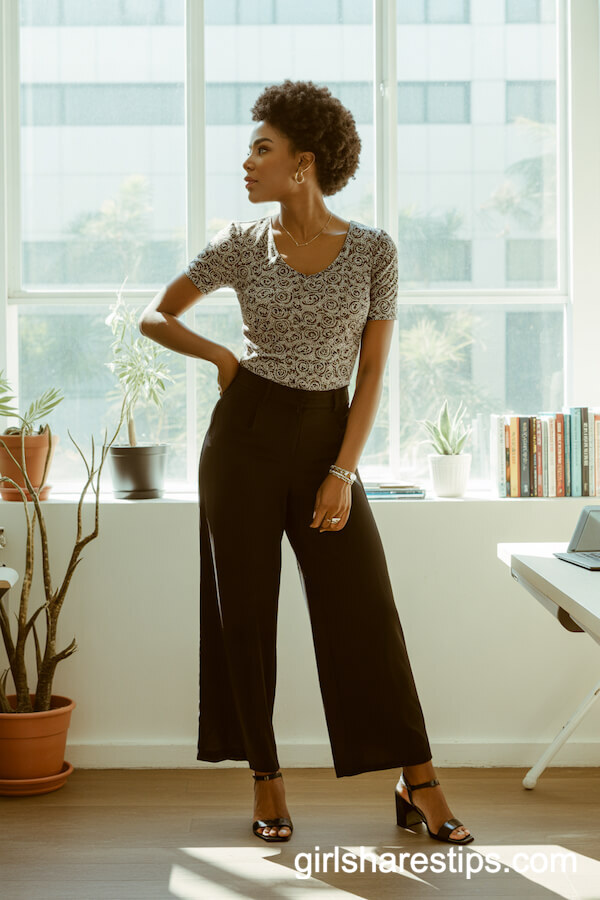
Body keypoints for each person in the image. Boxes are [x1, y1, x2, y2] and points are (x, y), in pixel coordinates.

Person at [139, 80, 473, 846]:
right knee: (246, 617)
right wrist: (223, 357)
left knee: (365, 612)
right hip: (245, 436)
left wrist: (343, 471)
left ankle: (417, 779)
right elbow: (156, 315)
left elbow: (374, 373)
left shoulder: (374, 251)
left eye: (262, 148)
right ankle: (267, 777)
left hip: (328, 436)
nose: (246, 162)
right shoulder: (240, 245)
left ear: (304, 163)